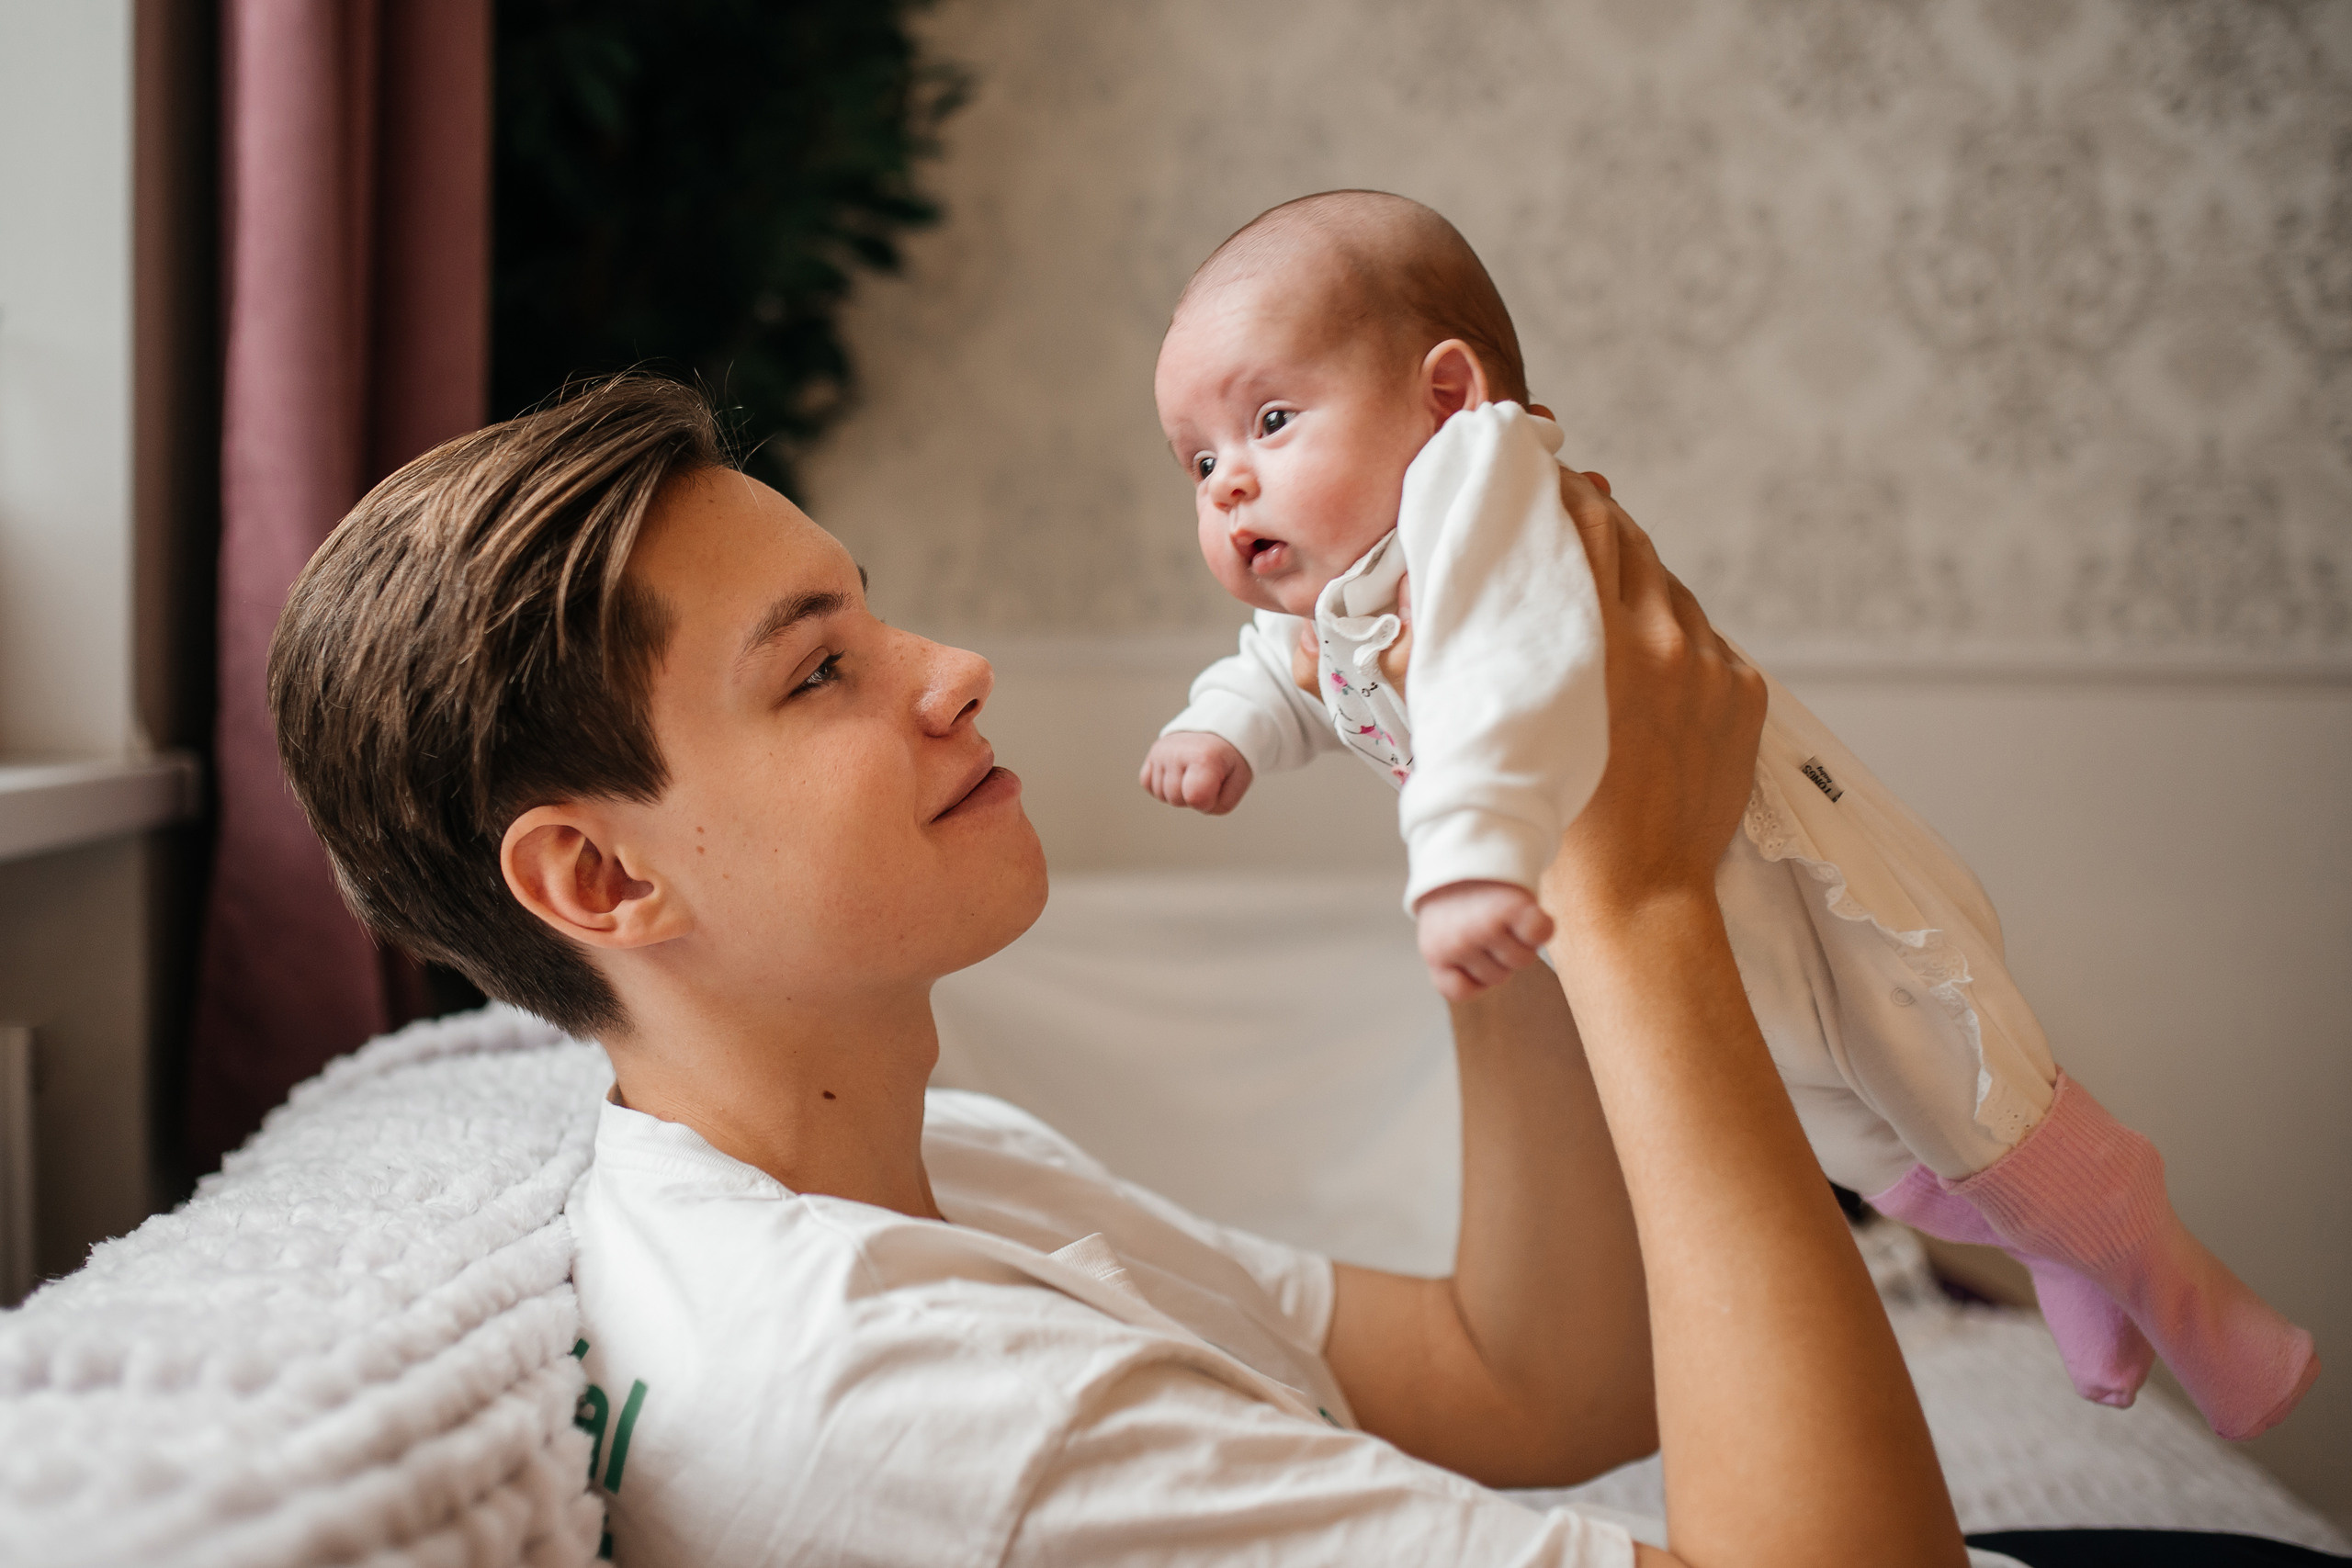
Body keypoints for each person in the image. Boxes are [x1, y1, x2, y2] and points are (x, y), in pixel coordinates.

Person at [266, 377, 2328, 1568]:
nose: (945, 666)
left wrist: (1492, 818)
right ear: (595, 876)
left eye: (870, 612)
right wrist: (1643, 912)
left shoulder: (914, 1169)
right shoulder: (903, 1407)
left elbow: (1539, 1383)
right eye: (818, 668)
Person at [1140, 190, 2316, 1440]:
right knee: (1843, 1134)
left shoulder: (1481, 486)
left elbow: (1507, 672)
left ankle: (2161, 1264)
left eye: (1270, 419)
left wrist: (1469, 859)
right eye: (1201, 461)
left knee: (1942, 1072)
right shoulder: (1344, 589)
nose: (1230, 484)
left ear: (1442, 396)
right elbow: (1280, 669)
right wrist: (1225, 731)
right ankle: (2064, 1254)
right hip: (1669, 884)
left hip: (1777, 860)